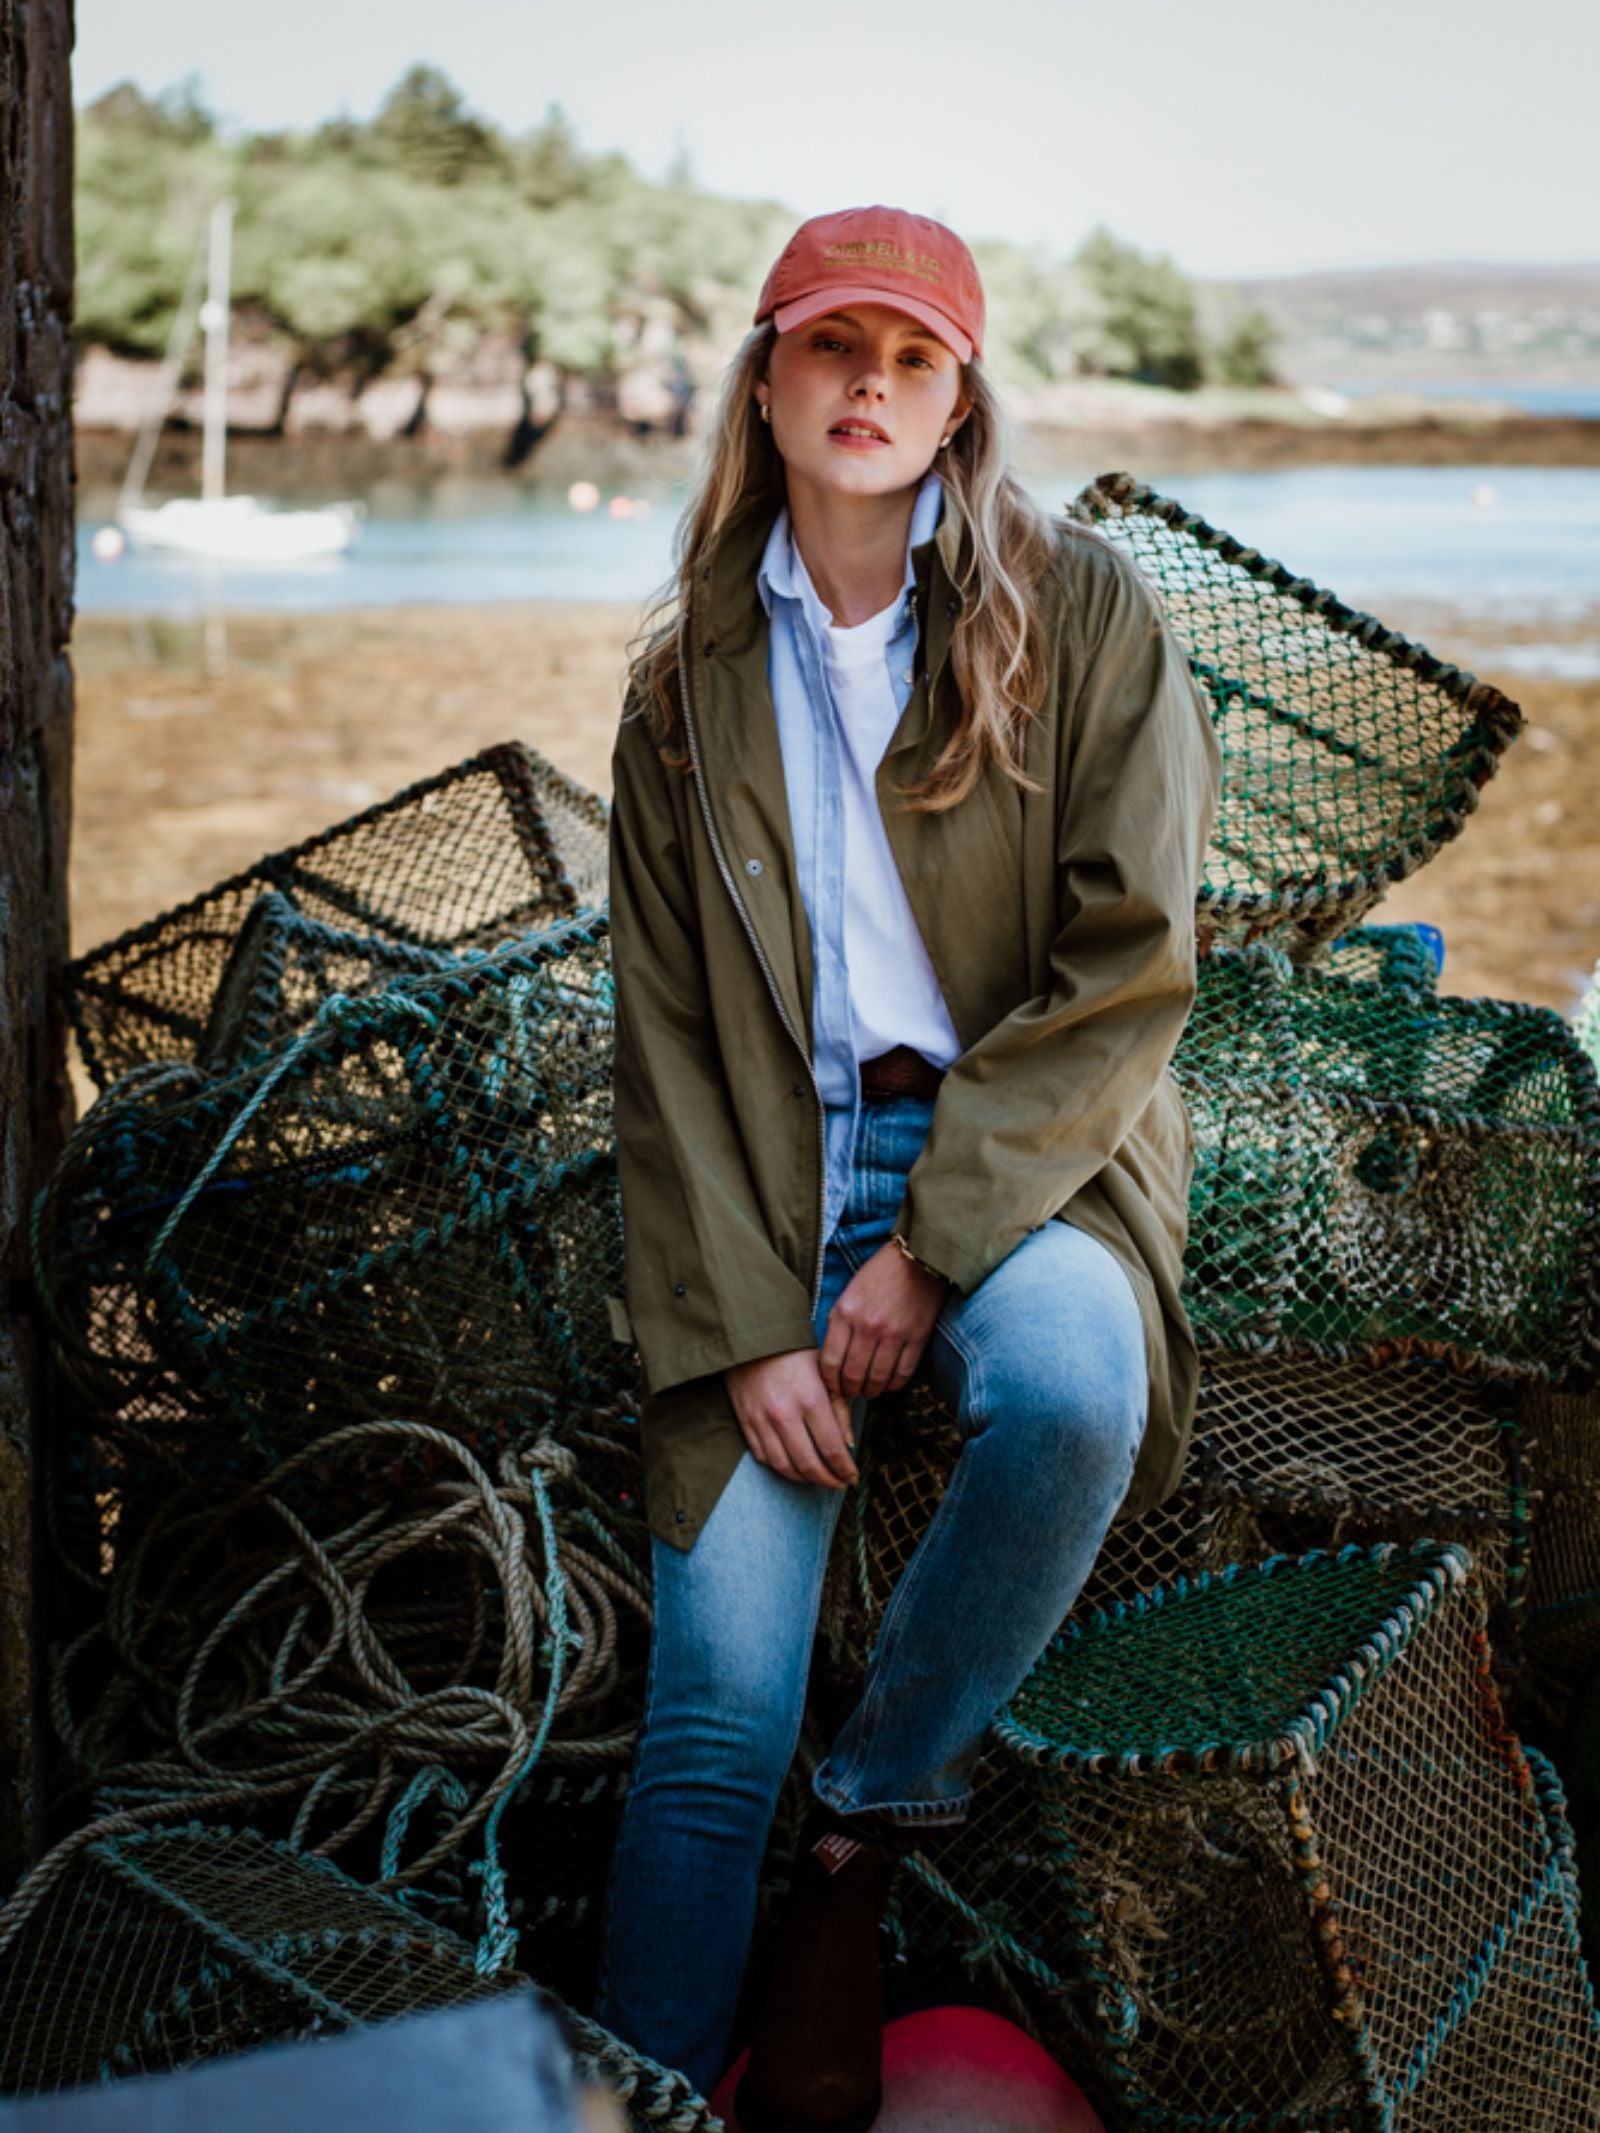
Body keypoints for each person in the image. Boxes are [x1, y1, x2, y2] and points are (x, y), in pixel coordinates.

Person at [593, 203, 1222, 2129]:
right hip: (765, 1181)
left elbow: (1134, 966)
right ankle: (636, 2099)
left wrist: (935, 1250)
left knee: (1072, 1390)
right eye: (829, 350)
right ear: (766, 382)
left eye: (912, 360)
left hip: (1020, 1151)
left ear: (958, 406)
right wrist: (738, 1335)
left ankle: (862, 1841)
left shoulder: (1084, 610)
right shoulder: (679, 685)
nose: (867, 389)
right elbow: (670, 1045)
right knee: (710, 1727)